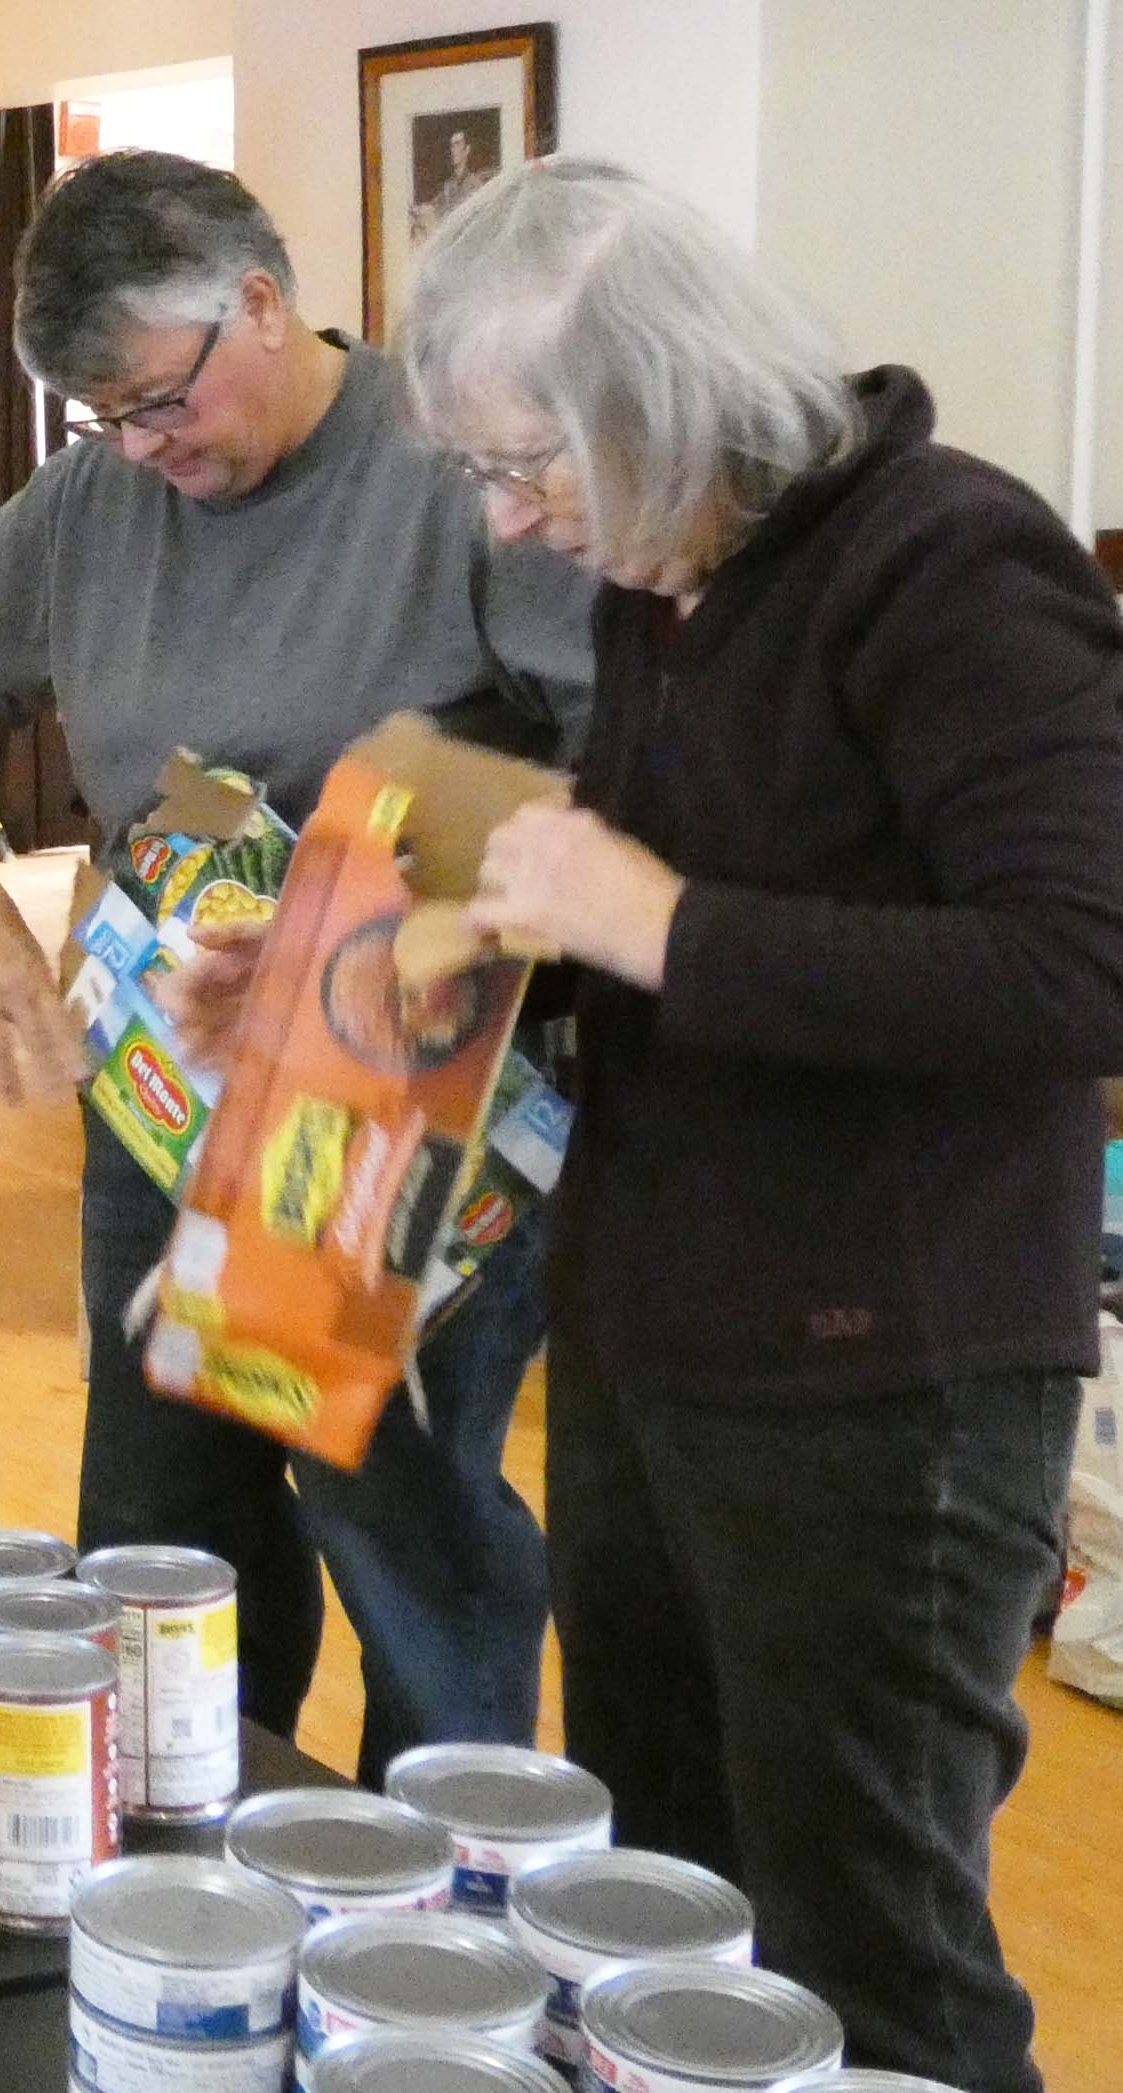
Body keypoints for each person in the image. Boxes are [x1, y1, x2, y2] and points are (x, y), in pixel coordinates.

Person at [394, 158, 1118, 2093]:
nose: (511, 516)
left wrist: (658, 920)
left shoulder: (952, 560)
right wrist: (422, 970)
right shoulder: (674, 578)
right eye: (480, 471)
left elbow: (1078, 965)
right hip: (658, 1339)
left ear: (669, 393)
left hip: (889, 1374)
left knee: (868, 1947)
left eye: (529, 458)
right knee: (667, 1911)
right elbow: (646, 919)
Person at [0, 151, 596, 1781]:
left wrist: (392, 916)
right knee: (154, 1511)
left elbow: (615, 786)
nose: (142, 449)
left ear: (258, 301)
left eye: (157, 401)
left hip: (406, 1089)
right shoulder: (98, 502)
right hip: (161, 1077)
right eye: (103, 419)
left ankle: (439, 1885)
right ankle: (188, 1822)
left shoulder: (461, 464)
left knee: (393, 1509)